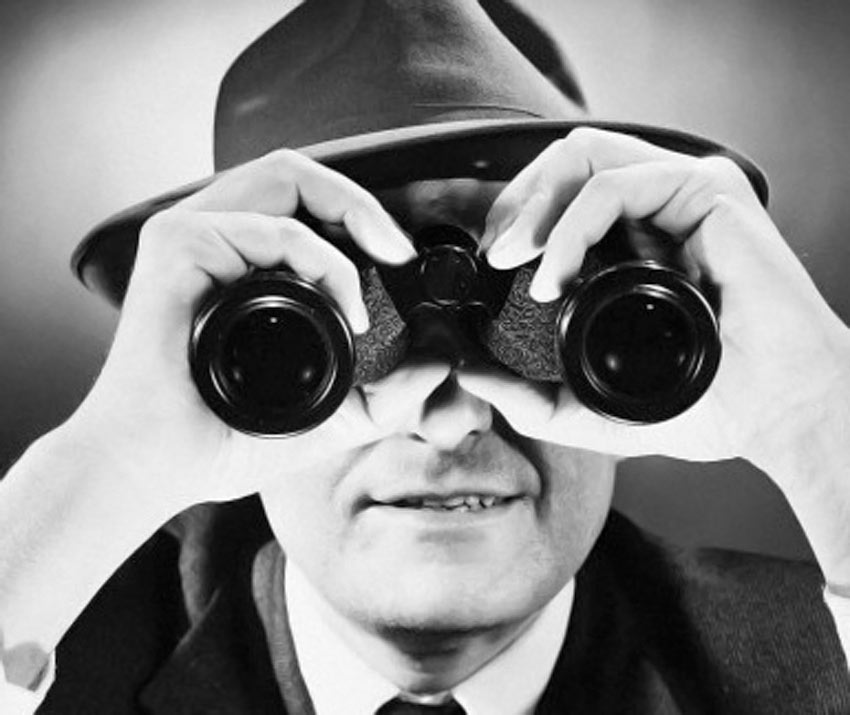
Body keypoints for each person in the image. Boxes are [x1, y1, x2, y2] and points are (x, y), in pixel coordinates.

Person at [2, 1, 850, 712]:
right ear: (225, 361)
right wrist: (102, 465)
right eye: (339, 336)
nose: (448, 417)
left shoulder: (817, 668)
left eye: (529, 315)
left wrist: (822, 421)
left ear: (630, 327)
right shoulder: (48, 639)